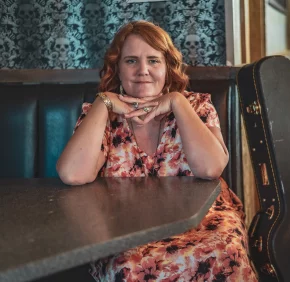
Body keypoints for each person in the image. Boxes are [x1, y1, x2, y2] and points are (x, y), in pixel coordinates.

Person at [57, 20, 257, 281]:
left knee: (224, 251)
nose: (143, 70)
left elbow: (210, 169)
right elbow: (73, 174)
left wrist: (176, 101)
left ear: (167, 67)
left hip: (203, 222)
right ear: (117, 68)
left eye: (153, 60)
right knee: (130, 265)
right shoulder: (101, 114)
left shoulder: (196, 105)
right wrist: (103, 102)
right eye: (131, 61)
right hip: (126, 228)